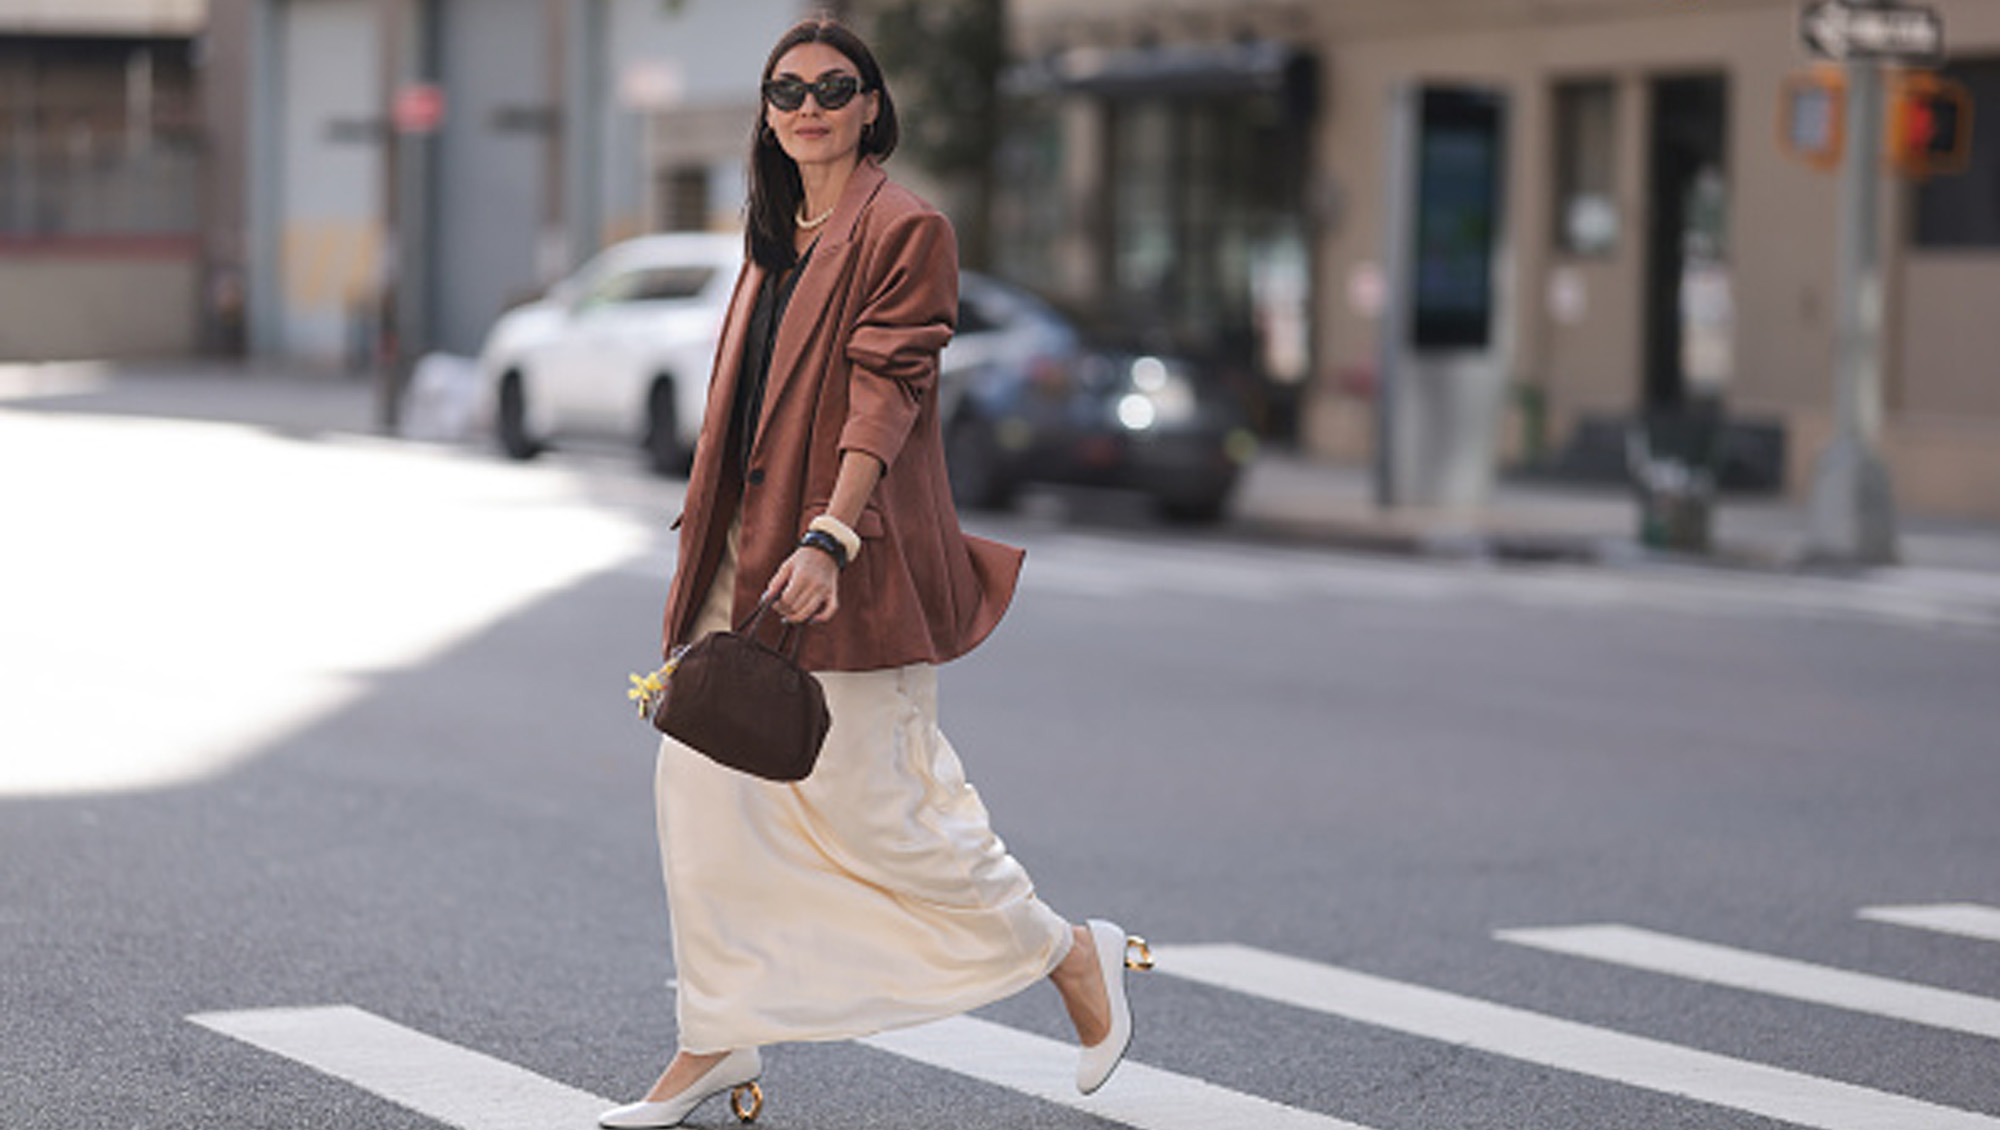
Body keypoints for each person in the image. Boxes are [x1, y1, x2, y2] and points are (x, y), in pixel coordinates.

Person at [598, 17, 1147, 1129]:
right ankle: (714, 1034)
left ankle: (1069, 956)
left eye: (832, 86)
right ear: (765, 112)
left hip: (838, 562)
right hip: (738, 552)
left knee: (886, 804)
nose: (808, 104)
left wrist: (830, 535)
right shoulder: (770, 235)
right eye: (786, 88)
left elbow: (883, 392)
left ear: (868, 107)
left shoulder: (903, 227)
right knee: (700, 791)